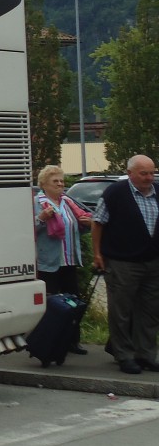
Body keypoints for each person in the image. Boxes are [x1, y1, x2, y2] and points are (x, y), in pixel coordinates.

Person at [92, 154, 159, 375]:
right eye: (144, 173)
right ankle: (124, 355)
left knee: (149, 311)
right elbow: (98, 222)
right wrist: (97, 254)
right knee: (121, 311)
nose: (149, 177)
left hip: (152, 262)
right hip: (123, 262)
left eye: (152, 172)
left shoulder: (158, 191)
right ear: (130, 173)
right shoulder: (115, 193)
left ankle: (146, 354)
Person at [33, 164, 93, 353]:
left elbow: (76, 228)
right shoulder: (37, 202)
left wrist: (87, 224)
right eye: (55, 181)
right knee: (51, 306)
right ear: (44, 184)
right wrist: (41, 218)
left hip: (69, 260)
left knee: (73, 302)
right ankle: (48, 342)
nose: (60, 185)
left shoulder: (68, 202)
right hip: (48, 263)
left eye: (62, 181)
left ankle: (72, 341)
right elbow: (26, 230)